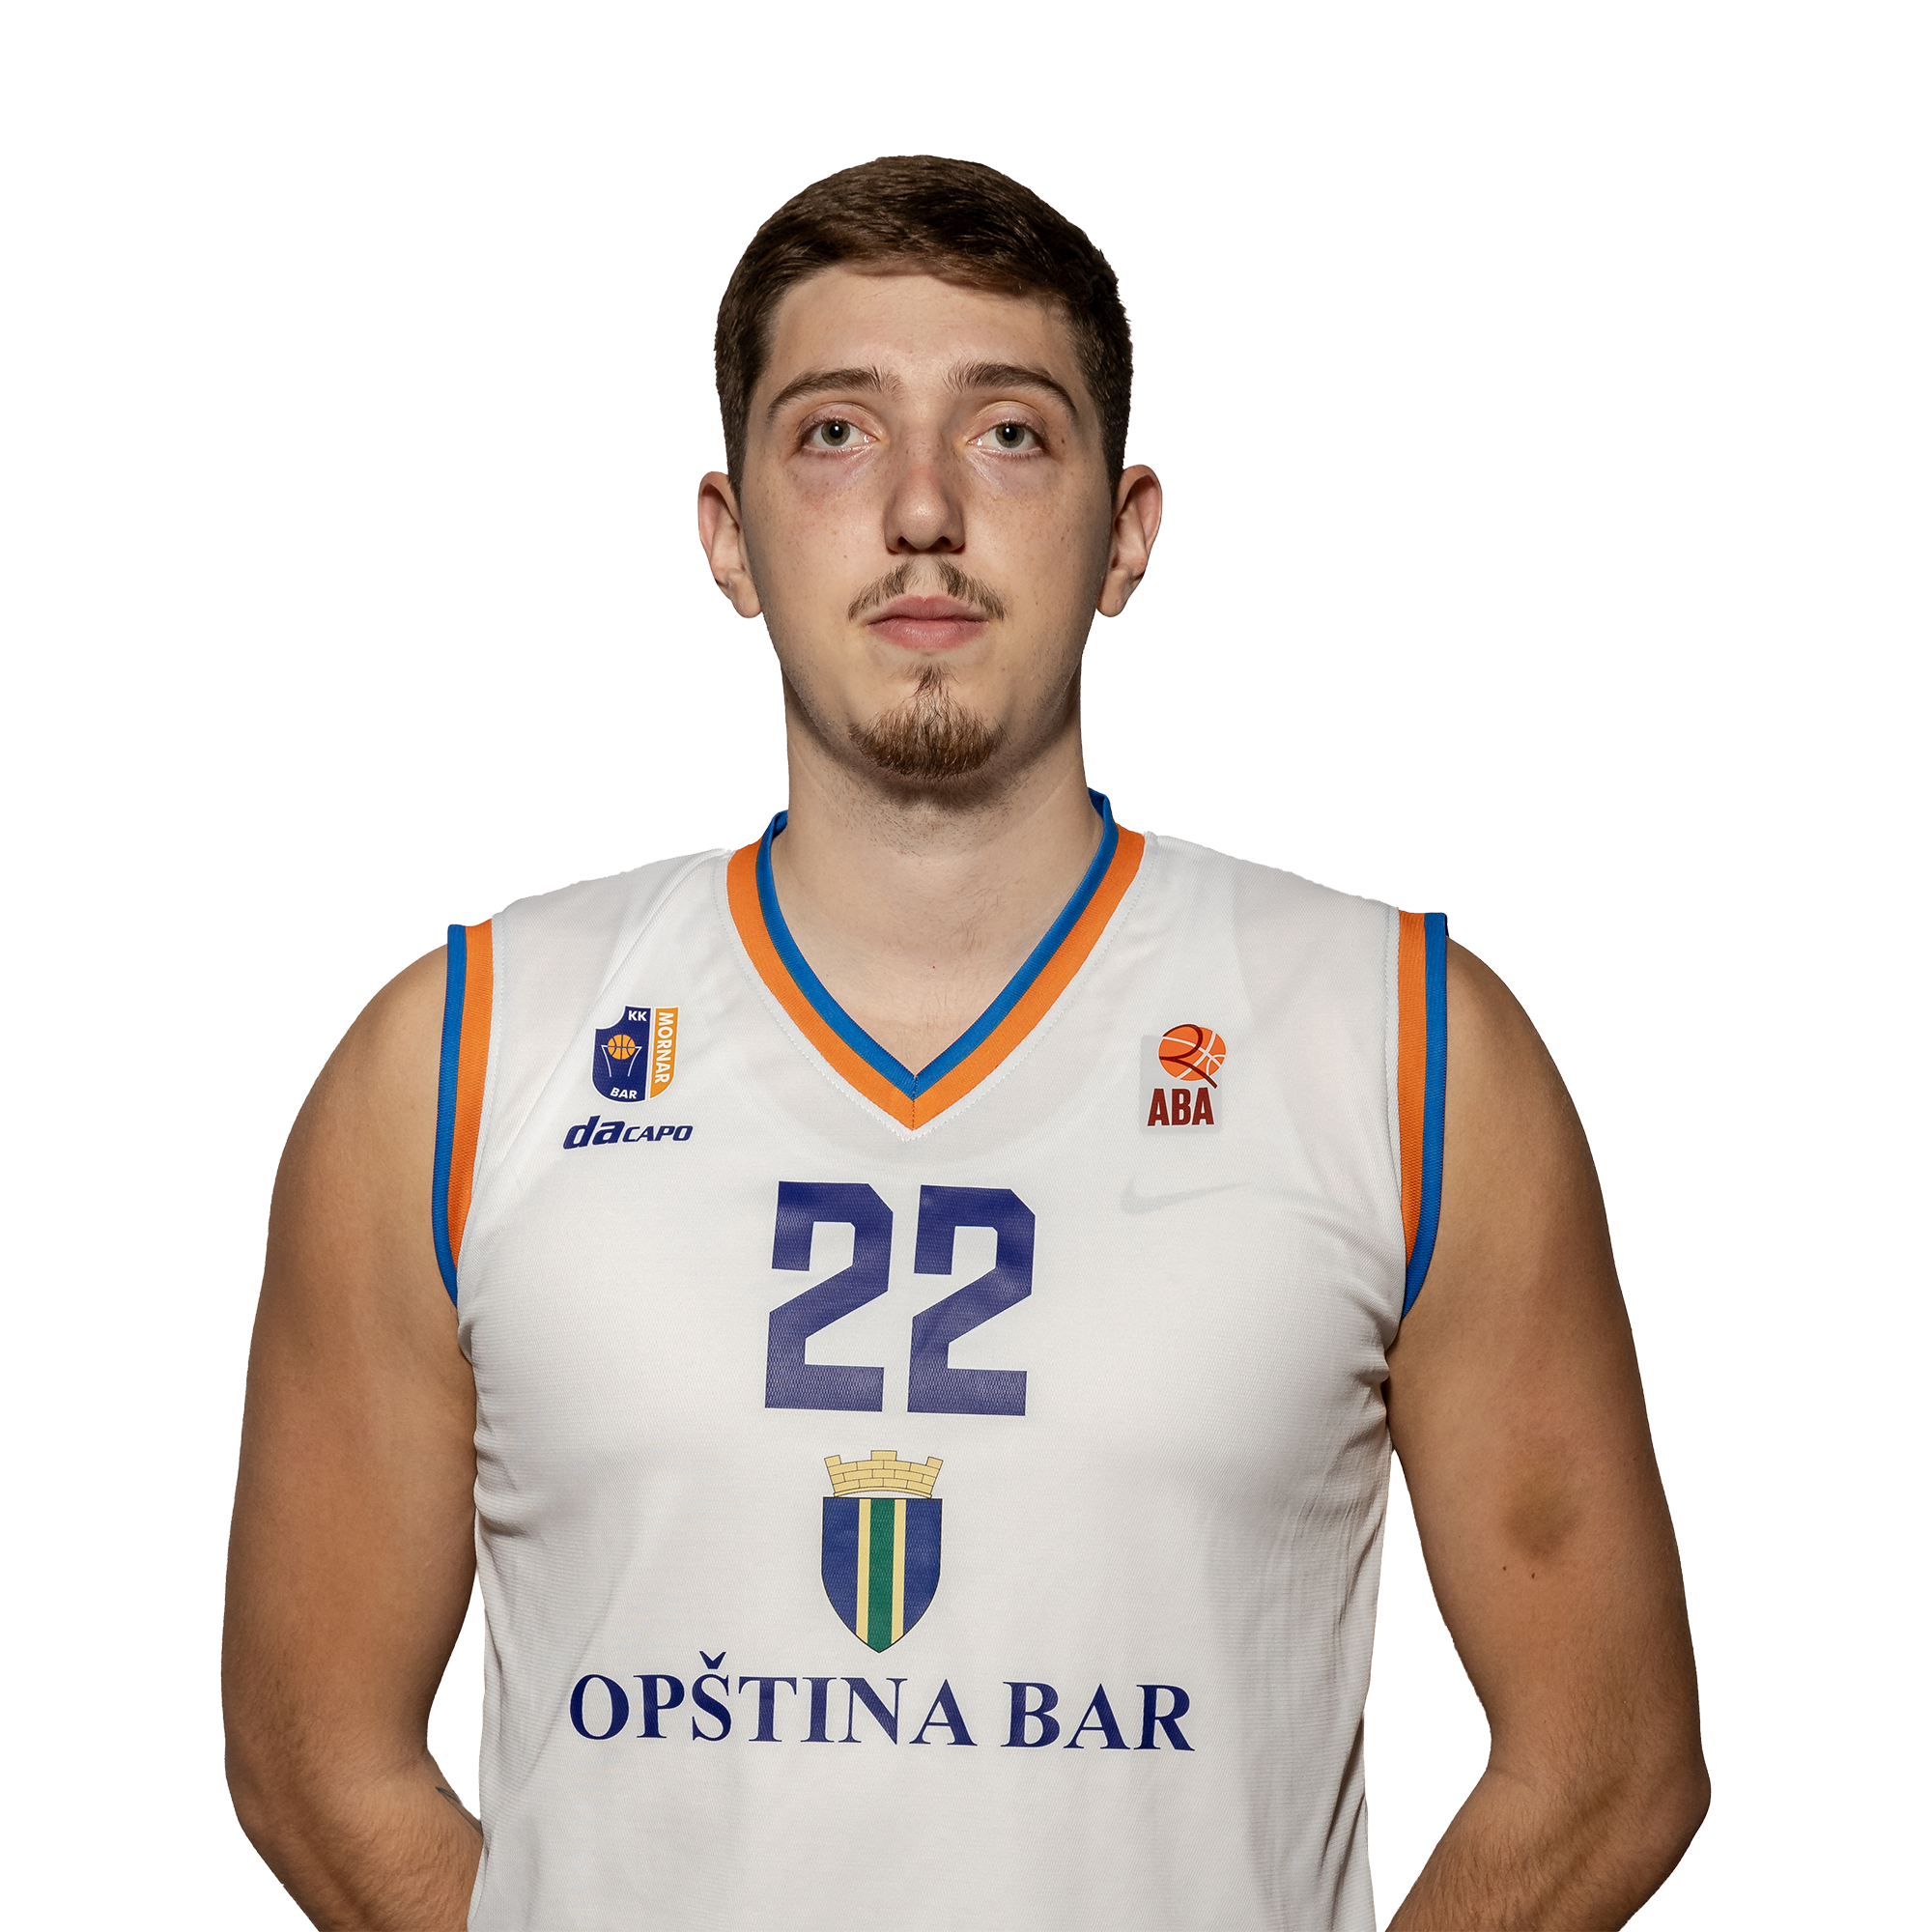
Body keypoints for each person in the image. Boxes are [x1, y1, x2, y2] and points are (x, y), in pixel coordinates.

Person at [223, 155, 1707, 1931]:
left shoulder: (1403, 1048)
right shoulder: (455, 1064)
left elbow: (1606, 1762)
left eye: (1009, 434)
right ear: (727, 537)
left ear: (1127, 532)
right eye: (835, 434)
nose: (922, 507)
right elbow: (315, 1754)